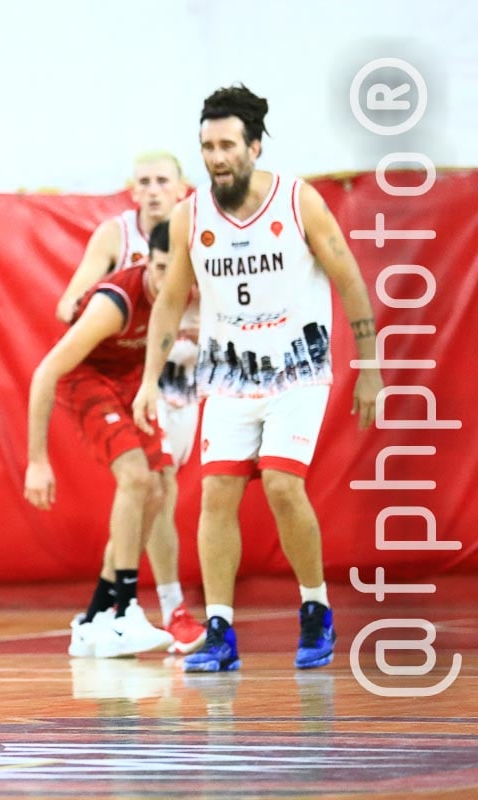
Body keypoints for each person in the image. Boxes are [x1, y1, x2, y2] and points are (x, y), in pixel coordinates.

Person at [133, 84, 382, 673]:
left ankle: (315, 607)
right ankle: (219, 629)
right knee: (216, 492)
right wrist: (148, 380)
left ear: (254, 147)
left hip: (297, 370)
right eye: (207, 147)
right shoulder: (191, 215)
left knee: (280, 484)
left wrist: (370, 366)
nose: (216, 158)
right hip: (228, 375)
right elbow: (170, 302)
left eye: (227, 146)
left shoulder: (298, 201)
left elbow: (348, 277)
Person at [53, 153, 204, 654]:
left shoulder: (199, 230)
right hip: (133, 377)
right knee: (152, 486)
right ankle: (163, 608)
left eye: (163, 180)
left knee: (155, 493)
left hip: (181, 378)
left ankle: (101, 610)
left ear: (182, 188)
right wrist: (109, 309)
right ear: (132, 190)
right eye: (145, 181)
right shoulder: (115, 236)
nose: (154, 189)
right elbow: (69, 304)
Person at [24, 222, 176, 659]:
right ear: (146, 261)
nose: (167, 279)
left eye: (175, 270)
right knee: (135, 477)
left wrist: (150, 383)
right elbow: (46, 373)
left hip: (131, 379)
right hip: (84, 377)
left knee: (158, 488)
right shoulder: (115, 303)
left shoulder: (188, 290)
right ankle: (125, 610)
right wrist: (37, 461)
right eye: (160, 268)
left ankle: (94, 618)